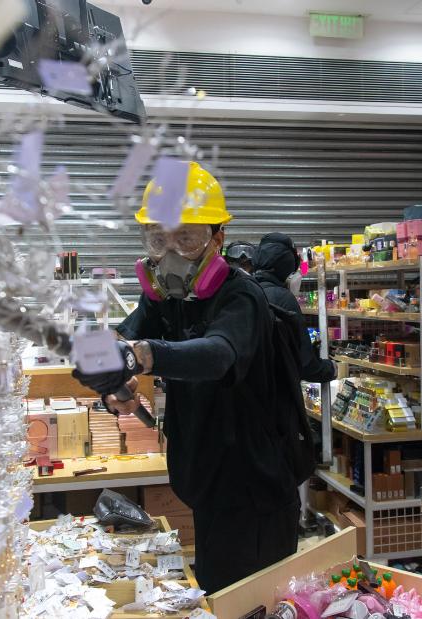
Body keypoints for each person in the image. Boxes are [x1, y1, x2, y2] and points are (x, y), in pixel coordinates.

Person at [72, 162, 299, 593]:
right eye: (158, 239)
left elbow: (217, 355)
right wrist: (108, 382)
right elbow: (128, 333)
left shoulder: (241, 296)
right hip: (205, 477)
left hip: (254, 488)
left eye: (187, 239)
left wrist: (141, 357)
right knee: (213, 586)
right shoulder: (168, 297)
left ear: (218, 239)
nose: (170, 254)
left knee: (249, 601)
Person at [253, 233, 336, 384]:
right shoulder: (284, 299)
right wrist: (331, 368)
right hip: (277, 396)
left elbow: (303, 272)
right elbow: (306, 365)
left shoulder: (246, 291)